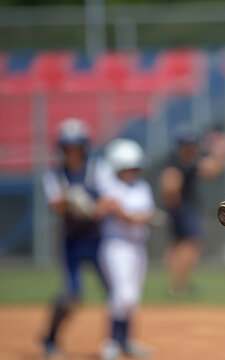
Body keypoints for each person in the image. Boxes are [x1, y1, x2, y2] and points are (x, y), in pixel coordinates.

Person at [41, 118, 110, 359]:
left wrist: (91, 207)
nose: (72, 151)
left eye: (76, 146)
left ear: (84, 146)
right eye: (67, 147)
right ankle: (49, 339)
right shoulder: (55, 174)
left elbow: (106, 201)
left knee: (115, 290)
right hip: (72, 241)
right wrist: (72, 198)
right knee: (71, 294)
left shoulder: (96, 168)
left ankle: (117, 341)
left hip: (96, 239)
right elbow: (55, 203)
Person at [96, 138, 155, 360]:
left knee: (133, 297)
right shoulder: (108, 186)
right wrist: (127, 214)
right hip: (115, 245)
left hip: (138, 247)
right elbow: (104, 210)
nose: (132, 171)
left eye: (135, 167)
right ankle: (111, 342)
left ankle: (126, 342)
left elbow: (145, 215)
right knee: (122, 295)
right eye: (127, 167)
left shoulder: (142, 186)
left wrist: (126, 214)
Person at [159, 127, 225, 295]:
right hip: (181, 209)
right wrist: (175, 207)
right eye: (187, 145)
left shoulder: (188, 163)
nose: (191, 149)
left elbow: (211, 169)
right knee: (191, 243)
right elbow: (170, 185)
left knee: (183, 244)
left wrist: (222, 154)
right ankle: (177, 285)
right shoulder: (176, 164)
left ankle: (178, 283)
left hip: (183, 209)